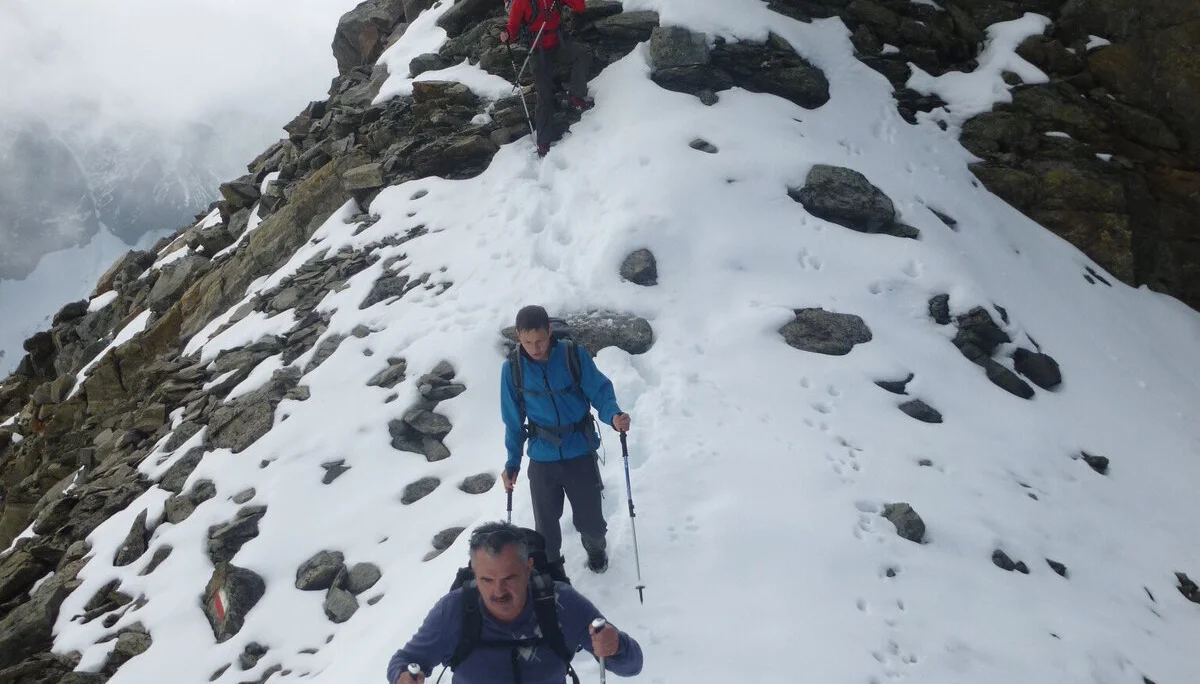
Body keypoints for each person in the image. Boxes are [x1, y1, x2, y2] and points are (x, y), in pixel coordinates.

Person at [386, 521, 644, 684]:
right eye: (487, 580)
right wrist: (404, 676)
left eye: (509, 578)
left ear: (529, 567)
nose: (498, 591)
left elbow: (632, 665)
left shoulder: (560, 603)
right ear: (474, 572)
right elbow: (406, 659)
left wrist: (616, 646)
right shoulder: (454, 611)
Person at [501, 305, 631, 573]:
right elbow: (513, 421)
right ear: (518, 336)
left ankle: (595, 548)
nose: (535, 348)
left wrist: (613, 415)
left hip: (580, 450)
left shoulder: (572, 355)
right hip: (542, 456)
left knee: (592, 522)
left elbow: (600, 391)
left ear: (550, 331)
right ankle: (552, 570)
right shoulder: (513, 368)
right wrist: (512, 462)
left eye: (539, 340)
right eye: (527, 342)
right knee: (545, 527)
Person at [498, 0, 593, 157]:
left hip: (558, 42)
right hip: (537, 49)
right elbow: (512, 26)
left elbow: (579, 7)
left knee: (581, 55)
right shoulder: (522, 2)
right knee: (544, 95)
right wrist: (507, 34)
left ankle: (576, 96)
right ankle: (543, 142)